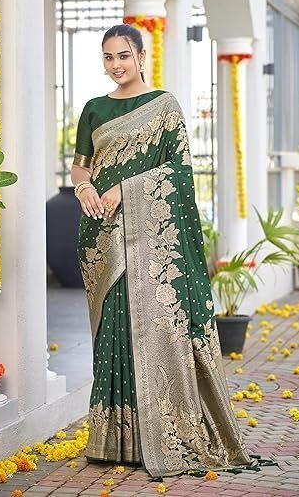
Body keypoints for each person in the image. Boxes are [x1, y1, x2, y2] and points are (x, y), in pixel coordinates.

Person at [71, 24, 252, 478]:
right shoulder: (93, 109)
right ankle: (114, 439)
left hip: (152, 240)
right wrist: (85, 189)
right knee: (113, 332)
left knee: (154, 329)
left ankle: (161, 434)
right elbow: (80, 167)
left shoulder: (164, 106)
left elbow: (180, 170)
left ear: (141, 56)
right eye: (108, 57)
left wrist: (125, 189)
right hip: (102, 234)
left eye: (123, 55)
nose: (116, 65)